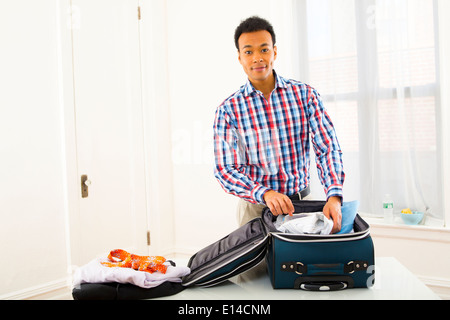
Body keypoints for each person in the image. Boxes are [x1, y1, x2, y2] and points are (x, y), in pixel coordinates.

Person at [213, 16, 345, 234]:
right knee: (255, 269)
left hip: (302, 207)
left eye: (264, 49)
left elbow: (327, 147)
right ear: (239, 57)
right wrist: (264, 193)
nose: (257, 58)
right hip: (254, 211)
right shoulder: (228, 109)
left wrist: (334, 196)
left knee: (300, 266)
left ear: (275, 51)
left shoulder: (305, 95)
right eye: (248, 52)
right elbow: (225, 170)